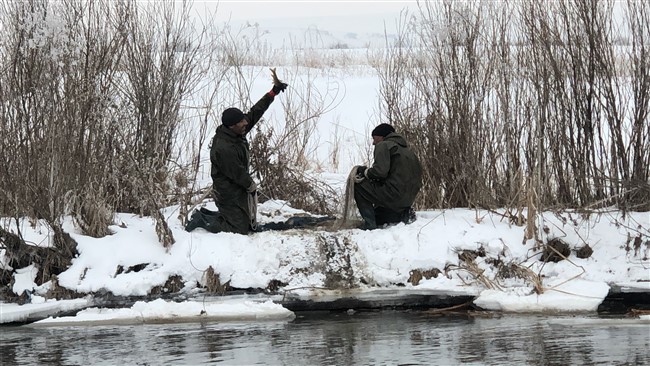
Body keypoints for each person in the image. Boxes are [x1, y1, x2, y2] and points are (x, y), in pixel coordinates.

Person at [185, 72, 288, 234]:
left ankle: (209, 214)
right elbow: (237, 172)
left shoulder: (237, 130)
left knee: (245, 222)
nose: (245, 122)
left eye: (244, 120)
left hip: (236, 188)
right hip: (227, 192)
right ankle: (201, 220)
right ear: (232, 125)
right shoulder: (224, 148)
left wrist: (272, 93)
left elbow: (255, 112)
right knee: (239, 229)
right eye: (241, 121)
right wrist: (250, 185)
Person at [353, 123, 422, 230]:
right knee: (380, 215)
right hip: (408, 200)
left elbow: (379, 172)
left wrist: (365, 172)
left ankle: (369, 224)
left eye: (374, 138)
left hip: (394, 196)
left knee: (358, 185)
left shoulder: (384, 145)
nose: (373, 143)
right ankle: (400, 215)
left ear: (381, 137)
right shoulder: (409, 152)